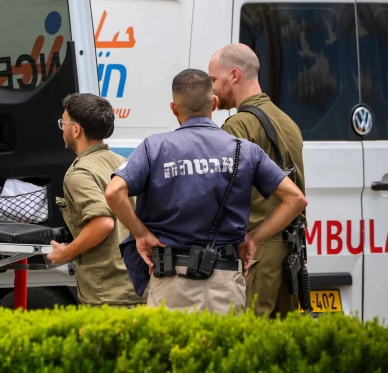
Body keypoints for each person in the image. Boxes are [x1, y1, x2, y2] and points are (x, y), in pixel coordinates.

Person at [104, 69, 307, 314]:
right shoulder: (245, 150)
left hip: (170, 283)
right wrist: (254, 239)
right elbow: (296, 199)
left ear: (174, 108)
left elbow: (114, 192)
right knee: (223, 352)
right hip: (225, 281)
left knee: (172, 351)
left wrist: (141, 234)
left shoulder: (154, 147)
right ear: (213, 103)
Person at [209, 43, 306, 317]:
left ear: (235, 75)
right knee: (280, 341)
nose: (212, 89)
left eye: (215, 80)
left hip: (258, 250)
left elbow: (221, 194)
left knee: (250, 337)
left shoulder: (237, 125)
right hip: (291, 249)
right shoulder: (287, 121)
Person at [46, 93, 144, 307]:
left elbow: (103, 222)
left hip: (107, 294)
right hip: (138, 286)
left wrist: (66, 252)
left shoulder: (78, 174)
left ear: (76, 129)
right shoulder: (123, 163)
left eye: (64, 122)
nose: (62, 128)